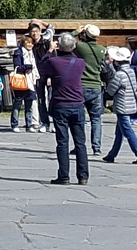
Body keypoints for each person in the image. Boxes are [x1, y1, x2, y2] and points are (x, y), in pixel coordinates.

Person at [41, 32, 90, 185]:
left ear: (59, 46)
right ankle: (83, 176)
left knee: (62, 142)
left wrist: (49, 51)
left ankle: (64, 176)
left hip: (60, 104)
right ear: (73, 46)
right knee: (80, 142)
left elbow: (41, 68)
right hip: (77, 104)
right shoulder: (80, 63)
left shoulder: (54, 62)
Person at [100, 46, 137, 164]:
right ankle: (112, 155)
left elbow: (111, 90)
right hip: (130, 104)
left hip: (122, 106)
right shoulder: (131, 71)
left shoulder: (120, 74)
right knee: (119, 132)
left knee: (127, 132)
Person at [75, 23, 108, 153]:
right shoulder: (102, 49)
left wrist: (76, 32)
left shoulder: (81, 47)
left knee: (80, 118)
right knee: (96, 118)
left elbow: (66, 39)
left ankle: (80, 146)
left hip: (82, 85)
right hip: (96, 86)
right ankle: (96, 147)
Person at [9, 23, 41, 132]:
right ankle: (14, 124)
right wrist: (27, 67)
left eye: (31, 43)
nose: (30, 45)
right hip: (21, 80)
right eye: (27, 43)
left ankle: (29, 125)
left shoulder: (32, 53)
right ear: (23, 43)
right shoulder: (18, 52)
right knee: (17, 103)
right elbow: (17, 67)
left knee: (29, 103)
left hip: (30, 81)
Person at [30, 22, 54, 133]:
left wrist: (50, 76)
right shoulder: (29, 44)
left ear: (40, 32)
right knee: (40, 99)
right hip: (37, 74)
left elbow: (52, 60)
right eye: (32, 31)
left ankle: (54, 121)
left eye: (36, 31)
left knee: (52, 99)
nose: (34, 33)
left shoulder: (46, 43)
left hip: (48, 74)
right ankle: (44, 122)